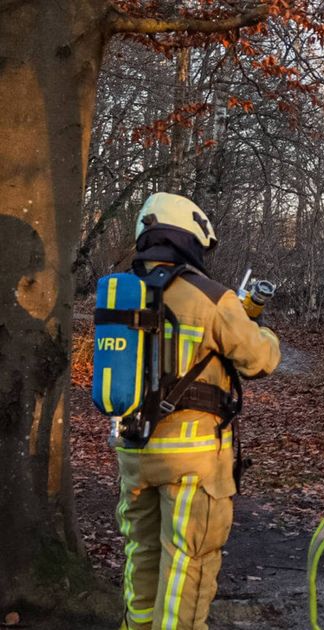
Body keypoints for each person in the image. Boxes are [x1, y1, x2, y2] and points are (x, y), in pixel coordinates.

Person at [114, 192, 281, 630]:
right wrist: (261, 329)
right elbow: (259, 361)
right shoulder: (211, 297)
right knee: (189, 564)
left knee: (141, 556)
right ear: (190, 237)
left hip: (133, 450)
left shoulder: (121, 292)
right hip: (192, 461)